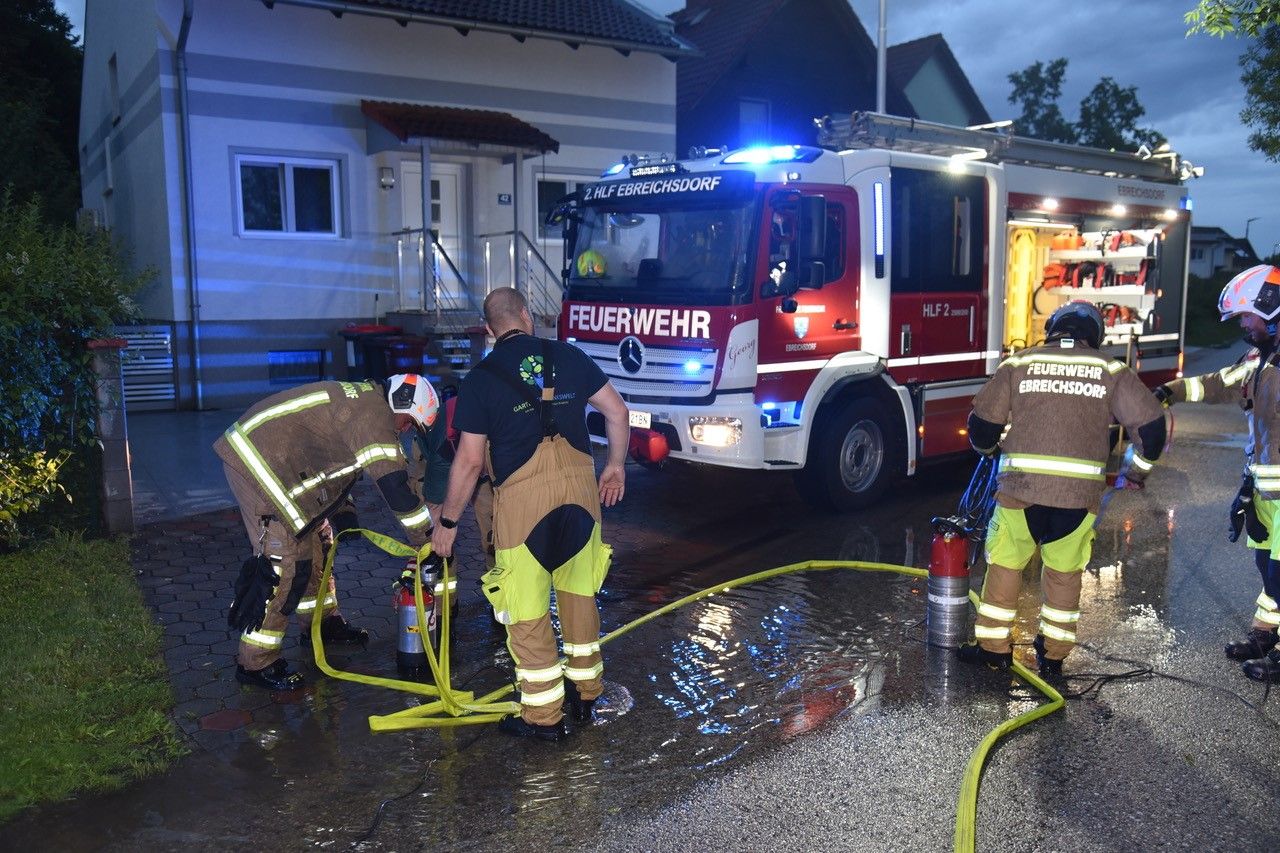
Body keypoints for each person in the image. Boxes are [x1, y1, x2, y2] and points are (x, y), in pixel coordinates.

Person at [431, 287, 629, 741]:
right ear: (527, 315)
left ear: (488, 330)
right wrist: (615, 466)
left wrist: (447, 521)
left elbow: (470, 461)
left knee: (526, 608)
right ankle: (588, 695)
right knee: (579, 596)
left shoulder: (479, 379)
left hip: (523, 500)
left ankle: (543, 719)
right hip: (581, 491)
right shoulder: (569, 356)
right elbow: (617, 411)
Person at [956, 301, 1167, 678]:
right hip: (1077, 500)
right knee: (1063, 574)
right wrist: (1136, 472)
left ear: (1053, 329)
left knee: (1005, 567)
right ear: (1094, 335)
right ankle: (1052, 657)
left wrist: (991, 453)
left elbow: (981, 428)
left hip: (1020, 492)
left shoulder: (1019, 364)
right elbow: (1151, 431)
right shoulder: (1111, 370)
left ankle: (994, 651)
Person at [214, 374, 439, 690]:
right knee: (286, 564)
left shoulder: (366, 404)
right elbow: (396, 489)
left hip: (281, 468)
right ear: (402, 403)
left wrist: (344, 509)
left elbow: (331, 459)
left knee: (320, 544)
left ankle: (321, 626)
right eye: (410, 423)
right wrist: (428, 541)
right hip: (257, 466)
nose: (405, 430)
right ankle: (255, 663)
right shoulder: (375, 416)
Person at [1157, 265, 1280, 682]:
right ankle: (1266, 634)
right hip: (1265, 490)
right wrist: (1170, 390)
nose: (1244, 324)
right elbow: (1217, 384)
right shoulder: (1259, 358)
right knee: (1268, 568)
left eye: (1247, 315)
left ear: (1271, 307)